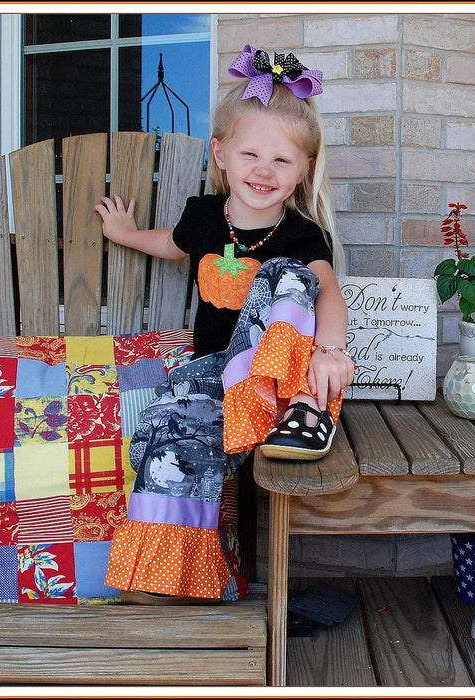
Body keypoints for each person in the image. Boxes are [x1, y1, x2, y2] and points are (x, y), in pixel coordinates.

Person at [95, 45, 354, 602]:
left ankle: (304, 408)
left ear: (304, 168)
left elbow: (327, 291)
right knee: (173, 435)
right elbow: (172, 243)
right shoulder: (204, 217)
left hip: (285, 393)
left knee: (286, 275)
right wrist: (126, 236)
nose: (264, 170)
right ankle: (166, 577)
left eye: (283, 160)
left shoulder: (303, 235)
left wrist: (330, 350)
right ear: (220, 154)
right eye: (250, 154)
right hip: (218, 381)